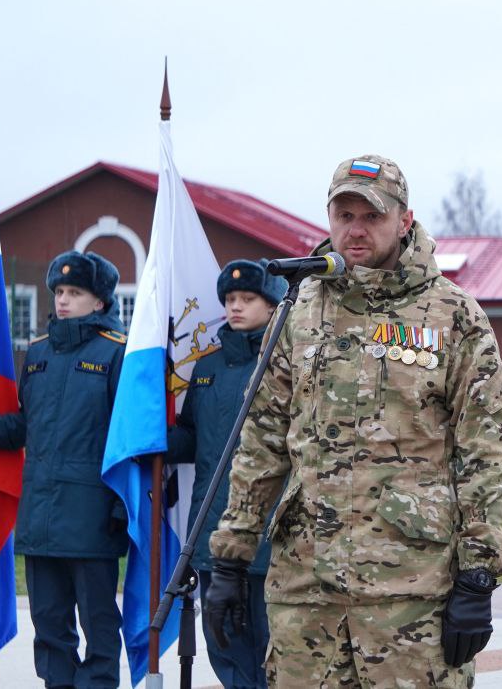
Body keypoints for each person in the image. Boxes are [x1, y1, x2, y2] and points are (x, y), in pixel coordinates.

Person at [206, 155, 502, 688]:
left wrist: (478, 574)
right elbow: (262, 439)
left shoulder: (453, 316)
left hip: (411, 592)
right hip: (306, 588)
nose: (355, 230)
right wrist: (231, 557)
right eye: (344, 215)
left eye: (372, 216)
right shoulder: (298, 310)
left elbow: (486, 450)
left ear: (404, 220)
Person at [0, 250, 128, 688]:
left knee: (99, 623)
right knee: (48, 626)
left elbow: (126, 438)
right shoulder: (39, 352)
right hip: (41, 514)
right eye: (59, 291)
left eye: (74, 292)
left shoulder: (117, 353)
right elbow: (24, 426)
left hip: (91, 516)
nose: (62, 300)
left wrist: (120, 508)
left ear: (99, 300)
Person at [166, 259, 286, 689]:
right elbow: (192, 436)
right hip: (214, 526)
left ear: (272, 305)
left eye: (247, 298)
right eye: (230, 299)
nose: (235, 306)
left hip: (272, 533)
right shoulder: (208, 367)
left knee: (275, 649)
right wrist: (150, 438)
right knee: (225, 644)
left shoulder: (287, 363)